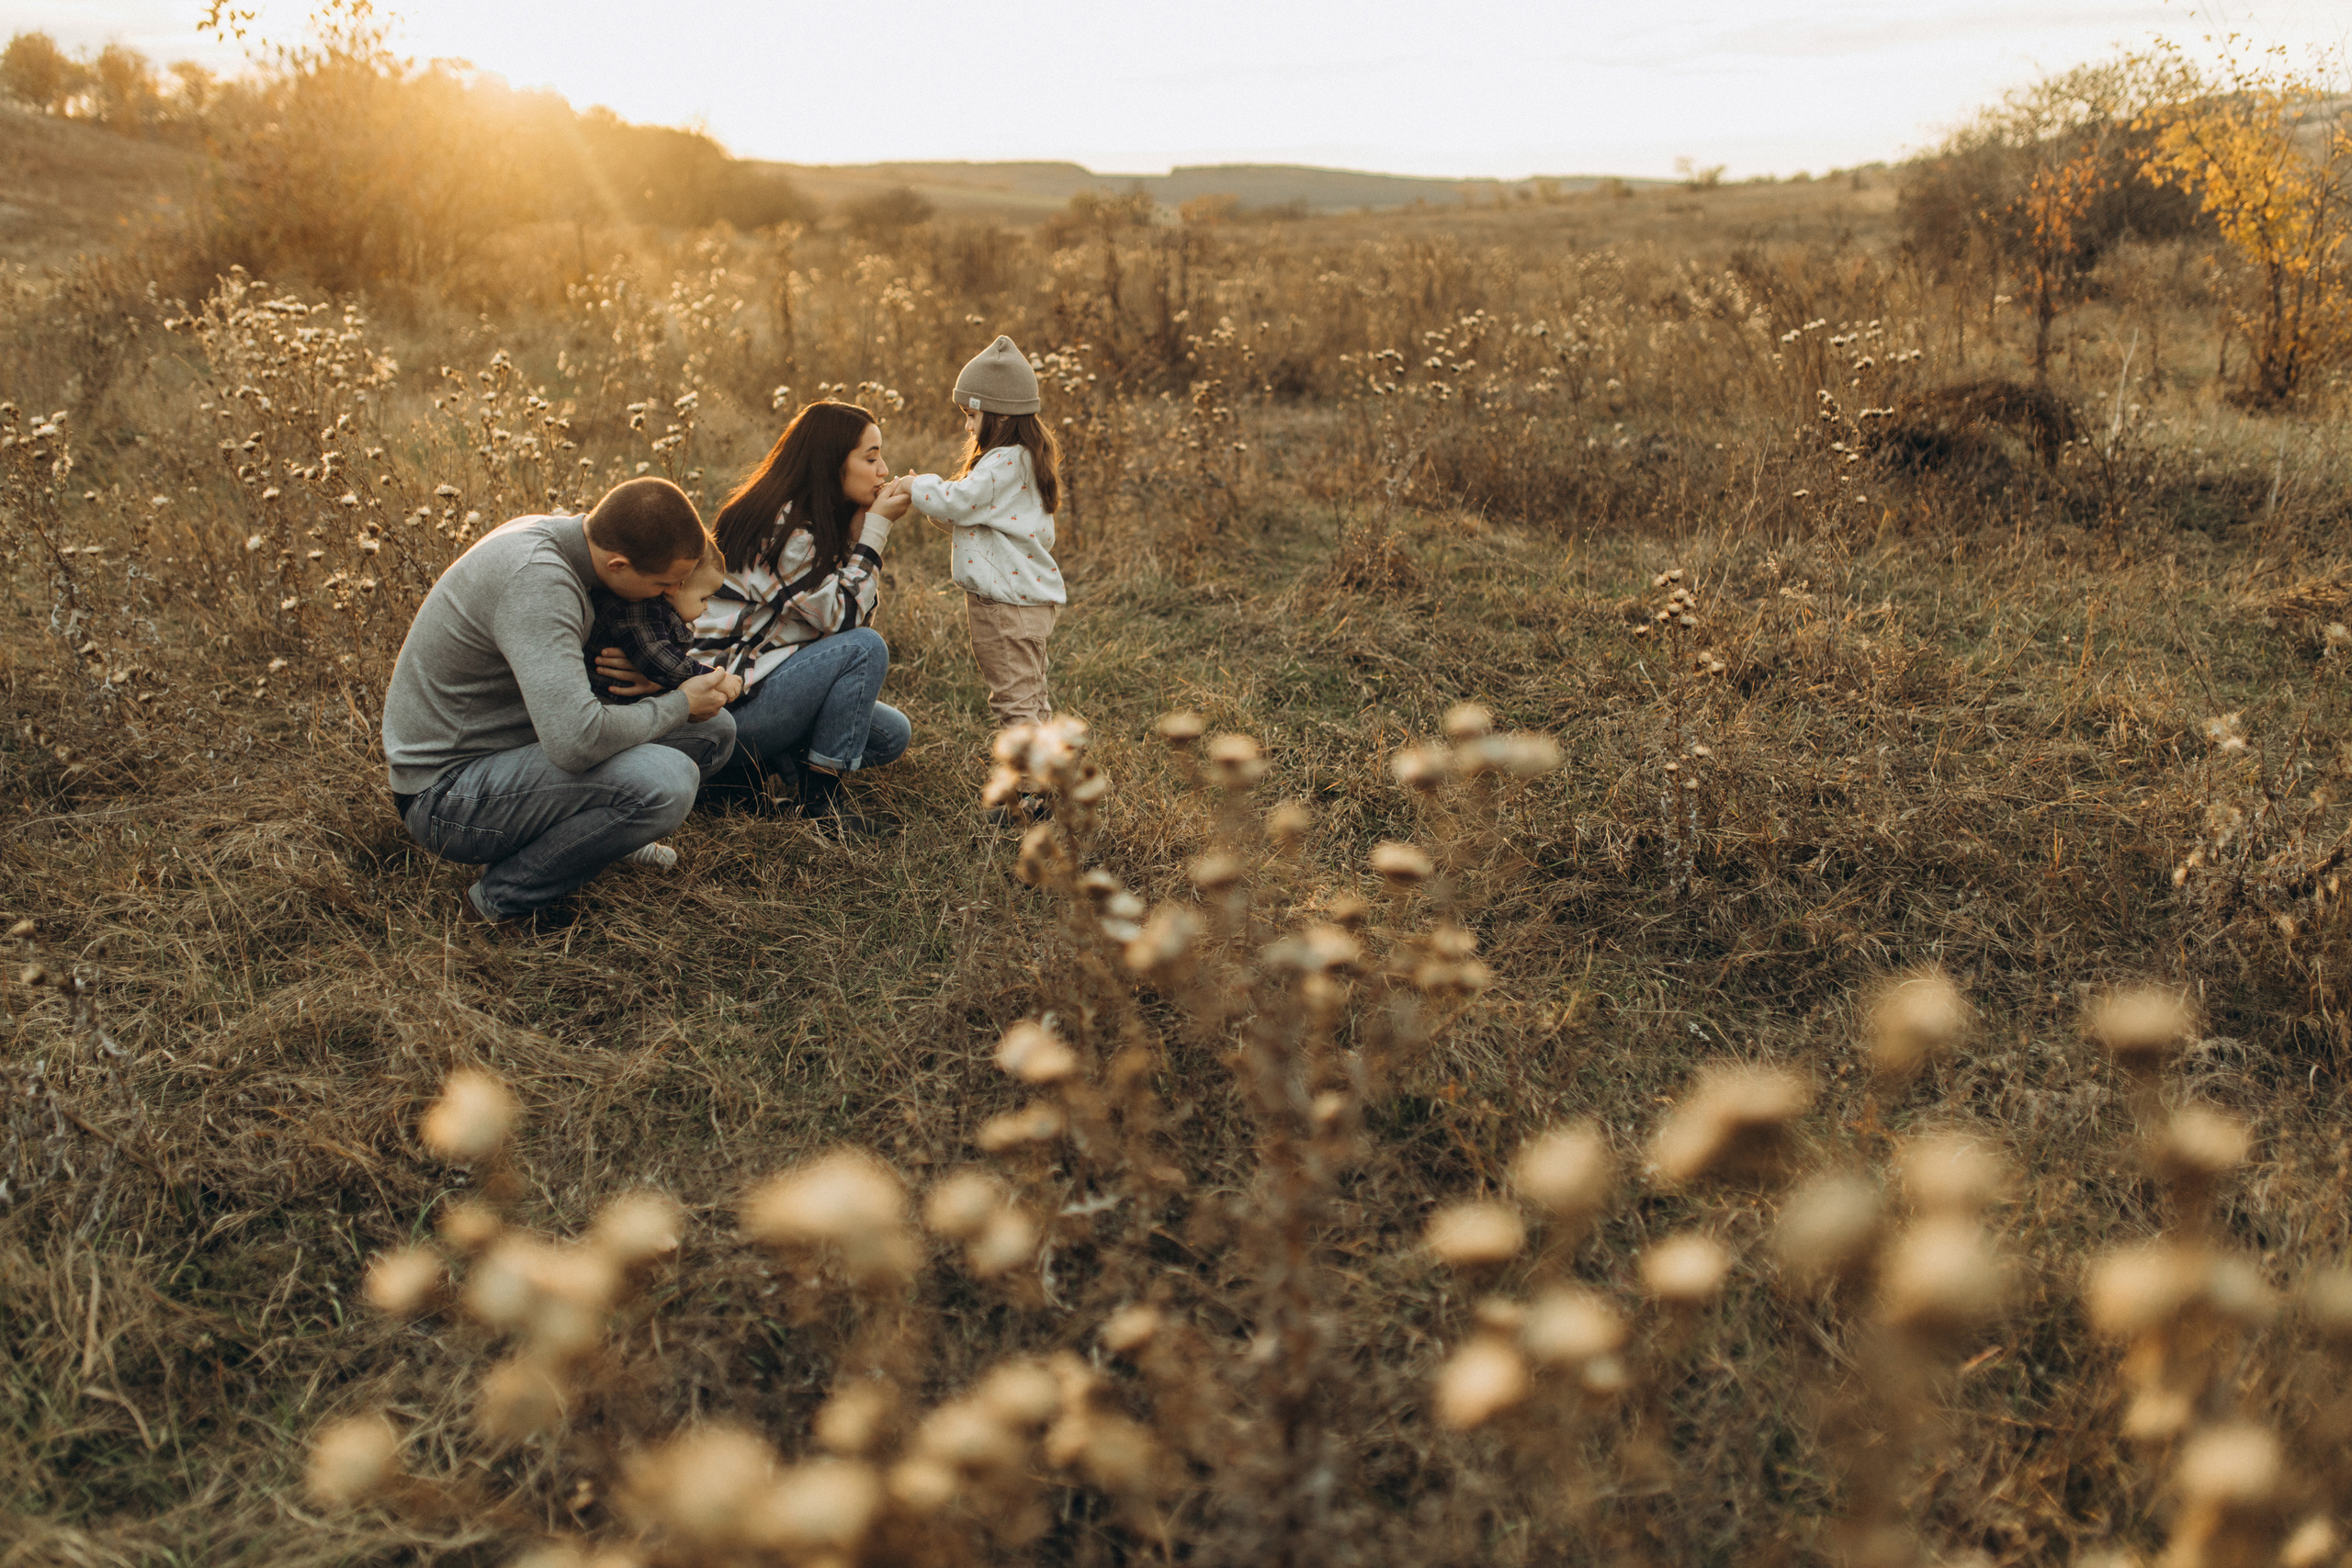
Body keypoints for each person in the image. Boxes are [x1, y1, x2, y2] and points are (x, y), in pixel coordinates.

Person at [383, 477, 742, 931]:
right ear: (618, 564)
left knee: (715, 731)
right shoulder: (539, 584)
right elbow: (576, 741)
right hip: (446, 794)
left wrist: (653, 686)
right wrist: (676, 705)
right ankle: (499, 899)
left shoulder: (567, 541)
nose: (670, 595)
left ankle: (602, 831)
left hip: (516, 747)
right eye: (663, 584)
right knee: (667, 782)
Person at [599, 400, 911, 832]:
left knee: (890, 734)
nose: (883, 471)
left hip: (758, 680)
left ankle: (754, 770)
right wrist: (875, 534)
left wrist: (857, 537)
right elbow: (849, 627)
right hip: (724, 704)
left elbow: (843, 623)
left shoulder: (819, 521)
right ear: (830, 462)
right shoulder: (783, 527)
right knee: (864, 649)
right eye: (871, 457)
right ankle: (822, 807)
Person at [905, 335, 1066, 822]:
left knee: (1014, 701)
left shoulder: (1002, 462)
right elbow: (969, 517)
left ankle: (1033, 799)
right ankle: (1047, 778)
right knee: (1030, 696)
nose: (968, 425)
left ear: (996, 413)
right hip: (1028, 603)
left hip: (1005, 607)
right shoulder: (1023, 462)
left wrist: (915, 486)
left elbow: (955, 503)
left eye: (971, 416)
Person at [585, 537, 726, 704]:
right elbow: (665, 664)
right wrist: (715, 680)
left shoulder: (661, 614)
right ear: (677, 585)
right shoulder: (641, 612)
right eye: (704, 598)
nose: (706, 607)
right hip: (608, 705)